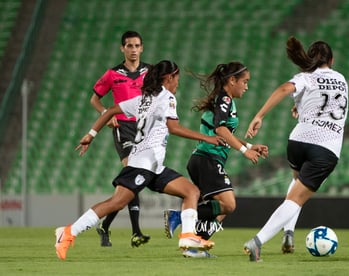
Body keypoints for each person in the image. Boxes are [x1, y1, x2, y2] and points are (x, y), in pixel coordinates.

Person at [54, 60, 224, 261]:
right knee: (116, 202)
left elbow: (109, 111)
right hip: (142, 165)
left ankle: (188, 240)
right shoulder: (167, 97)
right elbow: (174, 128)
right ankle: (67, 232)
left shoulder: (142, 99)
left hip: (153, 166)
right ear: (169, 77)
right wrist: (207, 137)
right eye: (177, 78)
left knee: (191, 192)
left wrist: (90, 135)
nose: (178, 83)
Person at [243, 36, 348, 262]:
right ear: (331, 59)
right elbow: (327, 103)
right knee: (295, 200)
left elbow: (285, 89)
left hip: (298, 141)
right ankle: (257, 242)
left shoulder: (306, 77)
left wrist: (259, 116)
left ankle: (289, 233)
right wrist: (300, 106)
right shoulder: (341, 79)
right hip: (325, 148)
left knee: (296, 182)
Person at [164, 62, 268, 258]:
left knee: (220, 211)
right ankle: (179, 215)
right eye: (244, 82)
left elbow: (224, 133)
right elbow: (220, 129)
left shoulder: (227, 101)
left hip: (207, 160)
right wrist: (244, 152)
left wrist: (249, 146)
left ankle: (195, 247)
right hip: (207, 159)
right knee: (229, 204)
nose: (247, 86)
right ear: (232, 80)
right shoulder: (224, 99)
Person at [90, 31, 150, 248]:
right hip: (122, 126)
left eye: (136, 45)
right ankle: (136, 232)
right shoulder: (112, 74)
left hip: (144, 128)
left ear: (142, 48)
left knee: (133, 181)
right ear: (122, 48)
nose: (133, 49)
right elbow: (94, 99)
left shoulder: (150, 72)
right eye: (129, 46)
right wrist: (107, 114)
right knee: (133, 172)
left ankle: (105, 226)